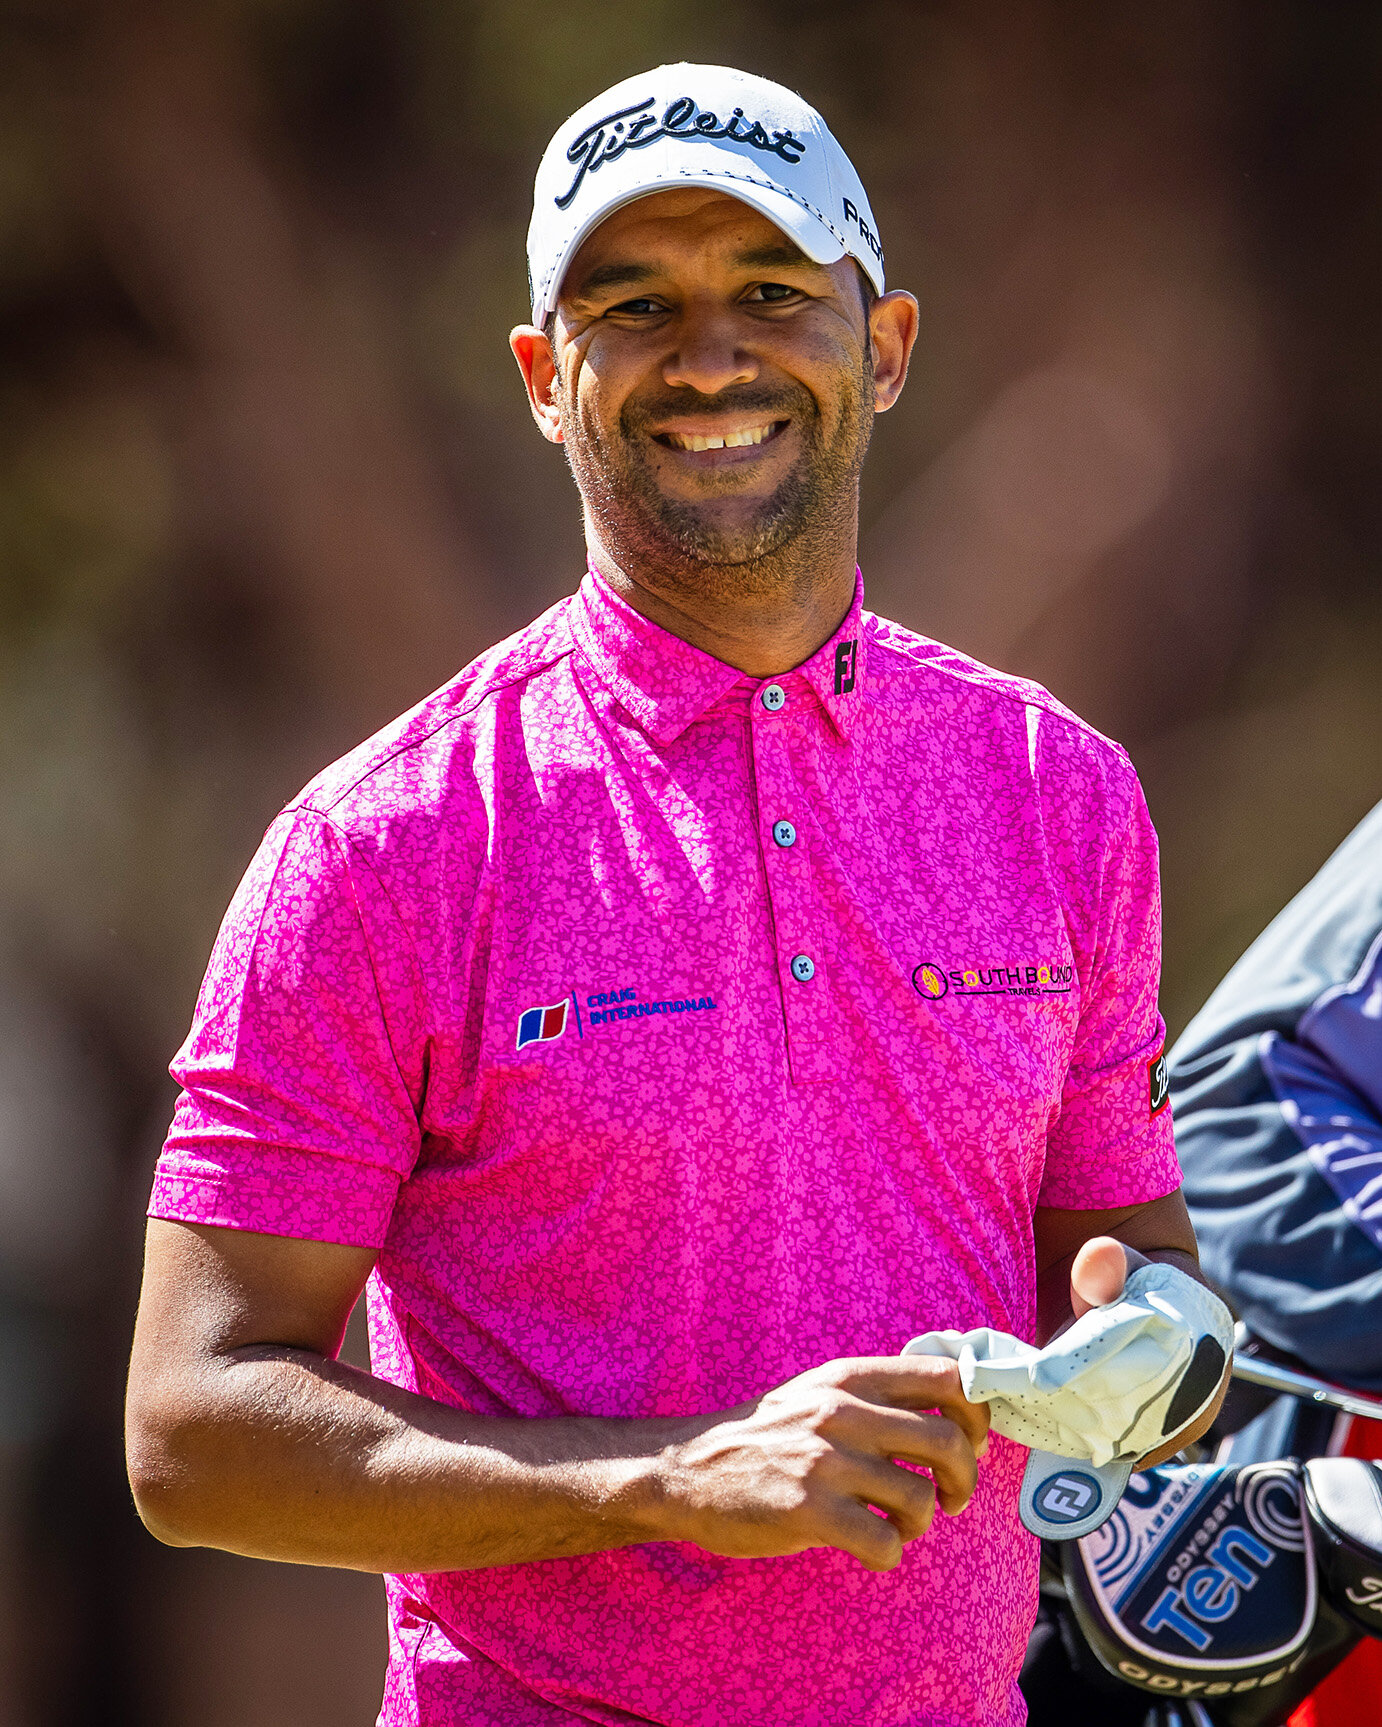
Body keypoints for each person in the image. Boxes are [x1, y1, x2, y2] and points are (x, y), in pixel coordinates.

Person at [126, 64, 1224, 1727]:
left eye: (772, 292)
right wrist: (667, 1479)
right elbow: (193, 1433)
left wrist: (1147, 1343)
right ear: (542, 379)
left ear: (884, 347)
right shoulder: (385, 845)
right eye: (635, 306)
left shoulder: (1053, 789)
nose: (710, 357)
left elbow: (1131, 1258)